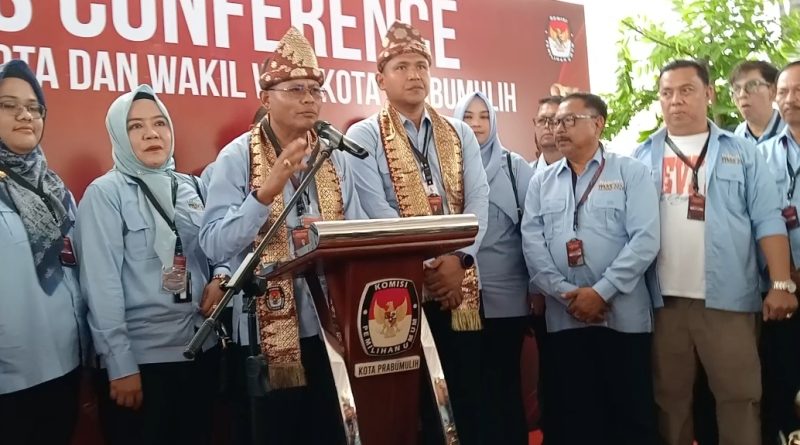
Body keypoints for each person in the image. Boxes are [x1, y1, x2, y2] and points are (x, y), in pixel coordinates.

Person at [199, 27, 366, 445]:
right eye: (295, 89)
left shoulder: (332, 154)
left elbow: (358, 234)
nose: (309, 98)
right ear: (265, 97)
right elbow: (214, 242)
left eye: (315, 89)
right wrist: (265, 193)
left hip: (330, 324)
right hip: (264, 333)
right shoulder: (237, 156)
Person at [634, 59, 797, 445]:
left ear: (708, 93)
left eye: (686, 90)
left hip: (729, 301)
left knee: (739, 398)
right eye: (667, 93)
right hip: (663, 304)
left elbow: (767, 219)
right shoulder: (640, 156)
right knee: (669, 402)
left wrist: (781, 284)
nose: (675, 100)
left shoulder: (743, 152)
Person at [345, 21, 489, 445]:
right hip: (403, 291)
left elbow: (478, 202)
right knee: (415, 410)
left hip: (460, 284)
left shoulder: (458, 132)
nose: (414, 75)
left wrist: (459, 260)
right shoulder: (363, 135)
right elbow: (376, 212)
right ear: (381, 79)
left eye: (421, 65)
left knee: (469, 399)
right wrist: (432, 267)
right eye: (402, 67)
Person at [75, 84, 228, 445]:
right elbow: (101, 285)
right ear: (119, 135)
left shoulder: (192, 187)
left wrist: (221, 276)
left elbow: (218, 247)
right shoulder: (105, 194)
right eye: (135, 126)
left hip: (199, 353)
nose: (151, 133)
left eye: (159, 123)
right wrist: (120, 365)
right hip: (143, 364)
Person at [522, 92, 660, 445]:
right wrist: (566, 294)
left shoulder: (631, 171)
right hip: (565, 318)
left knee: (631, 418)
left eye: (569, 120)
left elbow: (645, 240)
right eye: (555, 122)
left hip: (622, 317)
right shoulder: (542, 182)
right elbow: (533, 245)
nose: (559, 129)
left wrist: (601, 292)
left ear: (598, 124)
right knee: (577, 419)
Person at [0, 59, 87, 445]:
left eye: (34, 107)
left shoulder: (55, 188)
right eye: (9, 105)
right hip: (10, 379)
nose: (25, 115)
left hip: (66, 365)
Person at [453, 91, 533, 445]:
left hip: (507, 297)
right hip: (458, 297)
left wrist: (536, 289)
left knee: (505, 384)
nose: (476, 124)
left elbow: (533, 232)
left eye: (484, 116)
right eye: (468, 117)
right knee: (470, 385)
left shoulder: (516, 168)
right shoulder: (446, 167)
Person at [757, 60, 800, 442]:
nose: (790, 99)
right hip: (781, 287)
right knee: (782, 383)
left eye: (798, 90)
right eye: (783, 91)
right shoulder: (760, 155)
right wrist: (781, 277)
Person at [731, 60, 784, 145]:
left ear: (773, 91)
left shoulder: (792, 130)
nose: (742, 94)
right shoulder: (738, 134)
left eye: (752, 85)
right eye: (737, 89)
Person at [531, 96, 564, 173]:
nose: (546, 125)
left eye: (553, 120)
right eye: (541, 120)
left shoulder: (584, 173)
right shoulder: (525, 175)